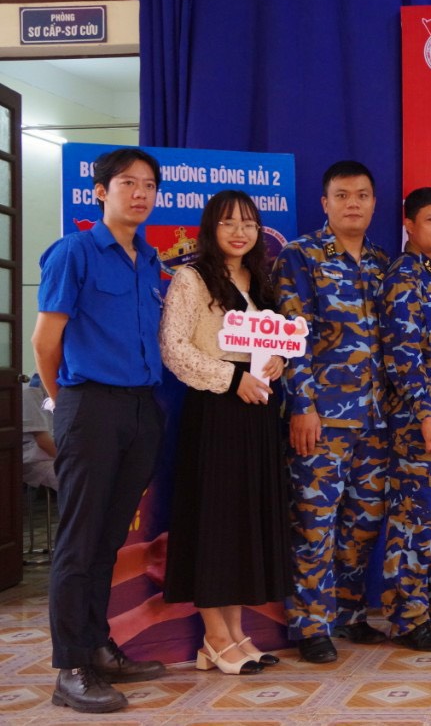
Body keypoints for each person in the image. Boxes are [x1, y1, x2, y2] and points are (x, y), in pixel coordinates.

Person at [32, 147, 167, 713]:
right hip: (90, 406)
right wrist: (67, 405)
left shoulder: (151, 261)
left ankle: (97, 645)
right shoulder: (75, 252)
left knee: (109, 538)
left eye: (149, 185)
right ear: (100, 192)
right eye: (127, 183)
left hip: (141, 409)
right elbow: (45, 341)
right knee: (79, 540)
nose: (140, 193)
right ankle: (70, 668)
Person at [159, 190, 291, 675]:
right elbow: (174, 349)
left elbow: (276, 340)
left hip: (258, 415)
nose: (240, 232)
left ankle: (235, 634)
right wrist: (232, 379)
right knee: (215, 523)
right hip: (215, 414)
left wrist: (277, 361)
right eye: (229, 223)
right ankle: (214, 637)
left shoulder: (261, 281)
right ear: (210, 228)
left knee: (241, 524)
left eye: (249, 224)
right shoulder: (191, 279)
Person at [273, 160, 390, 663]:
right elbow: (291, 338)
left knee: (364, 522)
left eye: (361, 195)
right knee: (314, 522)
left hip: (377, 418)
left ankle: (349, 613)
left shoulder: (383, 263)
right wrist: (302, 406)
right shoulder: (300, 257)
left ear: (374, 203)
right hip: (322, 417)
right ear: (325, 203)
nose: (353, 204)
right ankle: (310, 624)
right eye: (342, 195)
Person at [379, 187, 431, 651]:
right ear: (409, 225)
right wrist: (427, 413)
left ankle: (430, 602)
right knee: (414, 519)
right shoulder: (403, 277)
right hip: (420, 421)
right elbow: (403, 356)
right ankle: (407, 618)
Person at [21, 374, 58, 491]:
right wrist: (73, 461)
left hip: (60, 451)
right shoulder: (31, 391)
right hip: (38, 458)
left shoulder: (66, 384)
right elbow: (43, 442)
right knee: (83, 480)